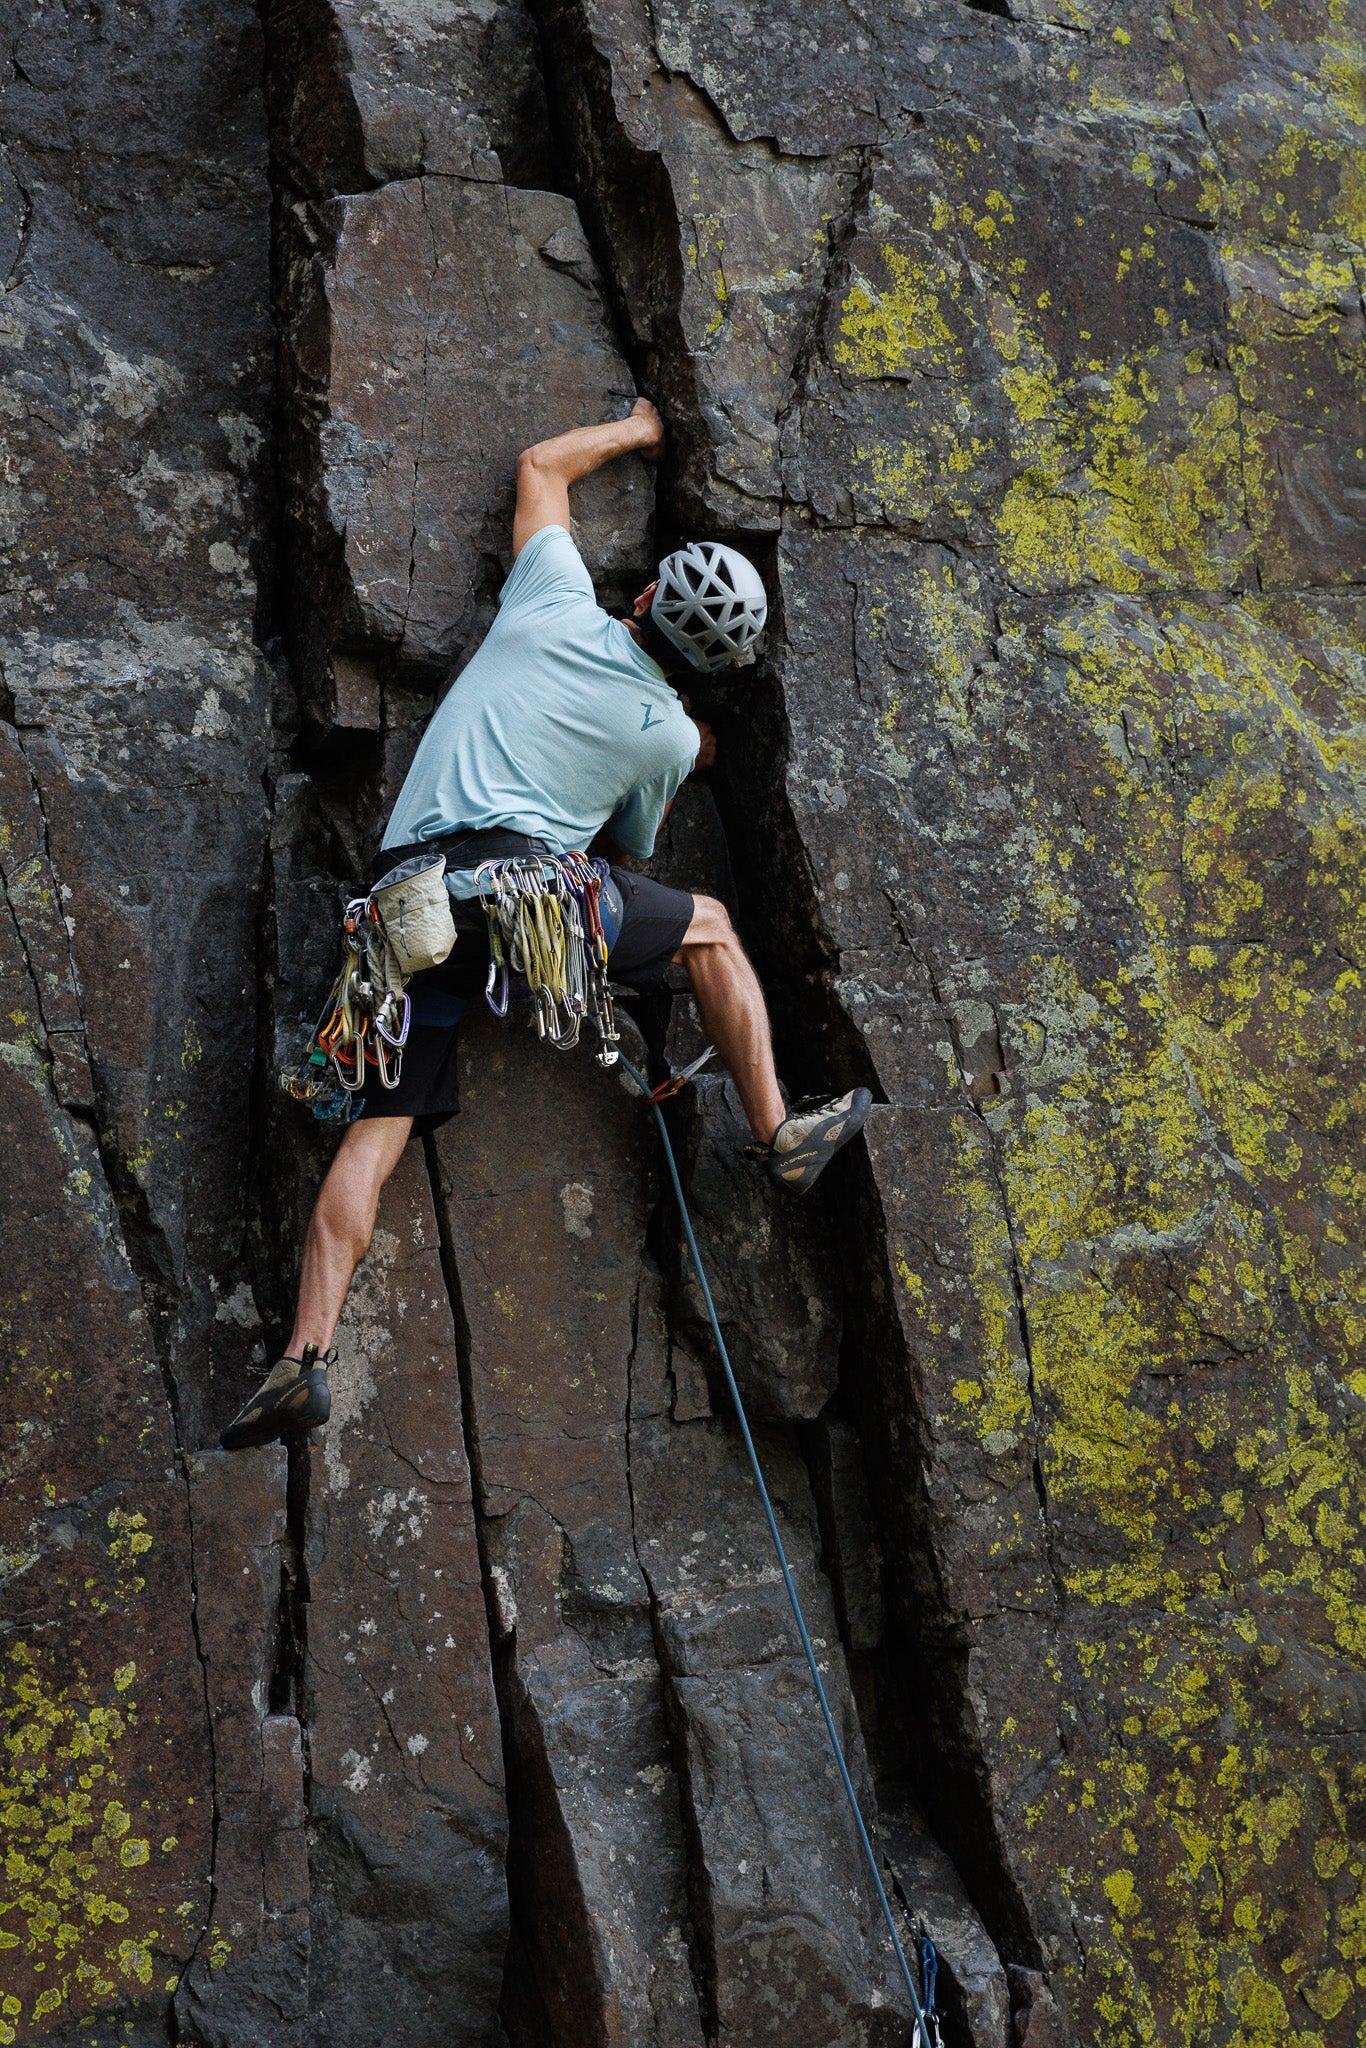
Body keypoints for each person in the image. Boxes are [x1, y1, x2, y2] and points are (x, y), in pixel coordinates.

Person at [221, 400, 871, 1452]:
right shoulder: (663, 732)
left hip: (404, 908)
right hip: (518, 894)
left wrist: (638, 427)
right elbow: (626, 857)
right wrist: (685, 748)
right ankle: (780, 1131)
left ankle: (304, 1358)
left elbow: (537, 465)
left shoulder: (552, 598)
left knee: (373, 1137)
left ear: (650, 593)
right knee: (704, 923)